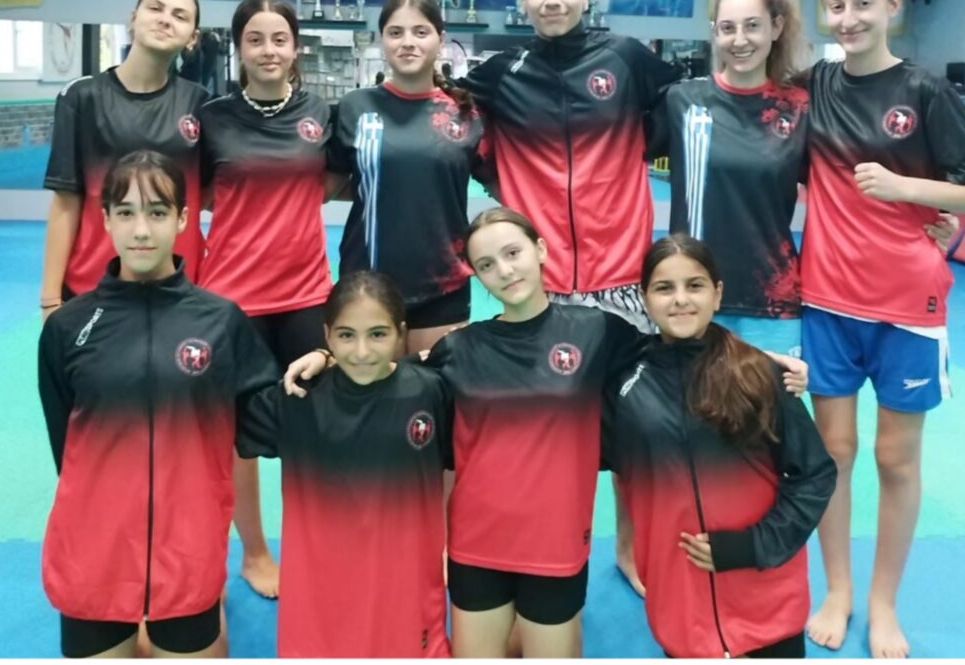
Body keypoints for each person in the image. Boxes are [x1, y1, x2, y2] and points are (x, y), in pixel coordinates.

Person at [286, 208, 809, 657]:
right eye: (487, 264)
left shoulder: (596, 330)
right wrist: (327, 356)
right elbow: (382, 370)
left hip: (556, 549)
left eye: (513, 253)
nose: (504, 270)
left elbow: (676, 348)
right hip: (475, 545)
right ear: (477, 276)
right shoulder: (459, 348)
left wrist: (756, 358)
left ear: (539, 251)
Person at [459, 0, 680, 596]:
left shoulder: (630, 60)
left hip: (624, 280)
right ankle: (542, 546)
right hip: (541, 289)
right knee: (545, 438)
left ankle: (631, 549)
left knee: (639, 429)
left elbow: (699, 121)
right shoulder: (500, 75)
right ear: (522, 0)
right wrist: (502, 185)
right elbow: (449, 130)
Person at [801, 0, 965, 659]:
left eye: (864, 3)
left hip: (908, 304)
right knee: (833, 453)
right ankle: (838, 589)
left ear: (894, 5)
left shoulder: (924, 92)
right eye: (836, 6)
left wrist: (908, 190)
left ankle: (883, 602)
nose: (849, 18)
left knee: (895, 458)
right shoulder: (816, 84)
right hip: (827, 300)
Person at [37, 150, 282, 658]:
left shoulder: (222, 322)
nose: (142, 230)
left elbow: (264, 425)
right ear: (105, 219)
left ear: (183, 219)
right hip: (93, 554)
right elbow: (67, 447)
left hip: (189, 554)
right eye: (126, 212)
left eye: (157, 212)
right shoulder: (68, 327)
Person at [603, 233, 836, 658]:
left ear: (717, 293)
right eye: (664, 288)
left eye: (694, 285)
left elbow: (815, 473)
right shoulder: (623, 385)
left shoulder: (758, 374)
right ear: (644, 298)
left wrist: (756, 545)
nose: (680, 299)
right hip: (681, 608)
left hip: (768, 604)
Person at [236, 271, 453, 657]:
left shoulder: (430, 392)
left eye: (378, 334)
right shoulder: (297, 399)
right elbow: (211, 407)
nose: (362, 352)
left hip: (405, 595)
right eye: (347, 335)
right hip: (320, 604)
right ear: (328, 335)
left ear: (401, 334)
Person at [197, 0, 334, 598]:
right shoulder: (213, 118)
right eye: (255, 39)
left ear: (295, 47)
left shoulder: (320, 112)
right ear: (239, 48)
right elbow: (197, 195)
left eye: (280, 38)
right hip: (233, 301)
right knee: (239, 438)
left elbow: (333, 180)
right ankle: (254, 553)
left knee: (315, 430)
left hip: (306, 294)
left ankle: (313, 547)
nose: (269, 50)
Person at [650, 0, 808, 356]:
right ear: (714, 33)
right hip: (691, 299)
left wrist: (928, 216)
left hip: (771, 300)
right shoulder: (682, 102)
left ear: (776, 27)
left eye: (752, 26)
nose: (739, 40)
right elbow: (615, 155)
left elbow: (842, 184)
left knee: (769, 398)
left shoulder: (800, 109)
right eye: (727, 28)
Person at [328, 0, 484, 355]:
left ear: (440, 40)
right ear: (382, 40)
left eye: (420, 32)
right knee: (370, 389)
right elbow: (326, 187)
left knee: (436, 387)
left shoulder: (466, 114)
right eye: (396, 32)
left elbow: (507, 187)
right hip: (366, 285)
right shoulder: (355, 107)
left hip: (443, 285)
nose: (408, 42)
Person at [41, 0, 207, 323]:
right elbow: (65, 203)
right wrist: (50, 300)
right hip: (93, 286)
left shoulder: (201, 104)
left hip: (180, 288)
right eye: (155, 8)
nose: (165, 19)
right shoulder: (81, 97)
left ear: (192, 37)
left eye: (179, 15)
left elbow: (218, 194)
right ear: (133, 18)